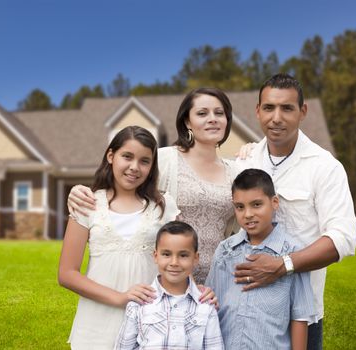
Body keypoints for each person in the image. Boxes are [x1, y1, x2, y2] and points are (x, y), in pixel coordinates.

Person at [233, 73, 356, 349]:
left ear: (303, 111)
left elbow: (343, 238)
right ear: (257, 111)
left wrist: (283, 265)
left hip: (301, 313)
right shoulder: (244, 162)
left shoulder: (324, 167)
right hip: (247, 309)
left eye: (287, 108)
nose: (276, 117)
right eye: (269, 107)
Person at [68, 87, 239, 284]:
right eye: (202, 113)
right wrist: (77, 191)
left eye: (219, 113)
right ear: (187, 121)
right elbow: (123, 182)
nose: (213, 119)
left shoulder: (236, 172)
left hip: (218, 279)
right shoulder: (164, 159)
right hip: (165, 280)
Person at [58, 126, 180, 349]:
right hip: (96, 324)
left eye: (145, 161)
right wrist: (120, 297)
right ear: (111, 156)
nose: (135, 167)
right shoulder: (87, 204)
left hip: (149, 321)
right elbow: (67, 274)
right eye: (127, 156)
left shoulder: (163, 206)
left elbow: (180, 259)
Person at [206, 169, 315, 349]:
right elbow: (210, 305)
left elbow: (299, 316)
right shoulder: (225, 251)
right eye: (240, 207)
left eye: (256, 205)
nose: (248, 214)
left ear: (274, 203)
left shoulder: (293, 253)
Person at [115, 221, 224, 350]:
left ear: (196, 258)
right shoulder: (139, 303)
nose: (174, 262)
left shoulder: (205, 306)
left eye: (183, 255)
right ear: (155, 256)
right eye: (166, 254)